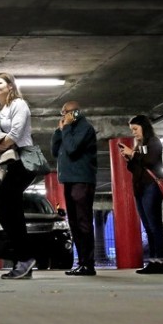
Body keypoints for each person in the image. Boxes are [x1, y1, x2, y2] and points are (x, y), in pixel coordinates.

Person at [0, 73, 37, 280]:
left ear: (10, 86)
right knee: (9, 208)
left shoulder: (20, 104)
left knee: (4, 205)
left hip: (24, 162)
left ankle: (24, 257)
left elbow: (15, 134)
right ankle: (24, 260)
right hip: (8, 163)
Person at [52, 101, 98, 276]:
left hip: (82, 180)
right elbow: (55, 151)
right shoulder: (68, 130)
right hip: (69, 180)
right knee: (74, 223)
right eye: (62, 113)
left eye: (66, 113)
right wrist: (59, 131)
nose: (63, 116)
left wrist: (66, 129)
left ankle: (89, 264)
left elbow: (72, 149)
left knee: (83, 222)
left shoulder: (84, 128)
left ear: (75, 113)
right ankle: (82, 262)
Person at [120, 114, 163, 274]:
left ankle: (160, 261)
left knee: (155, 225)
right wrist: (129, 159)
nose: (133, 133)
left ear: (144, 127)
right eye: (132, 130)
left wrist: (133, 155)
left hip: (151, 187)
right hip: (139, 188)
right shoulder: (138, 145)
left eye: (135, 129)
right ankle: (152, 261)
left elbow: (150, 161)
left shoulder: (154, 142)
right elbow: (134, 168)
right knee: (147, 226)